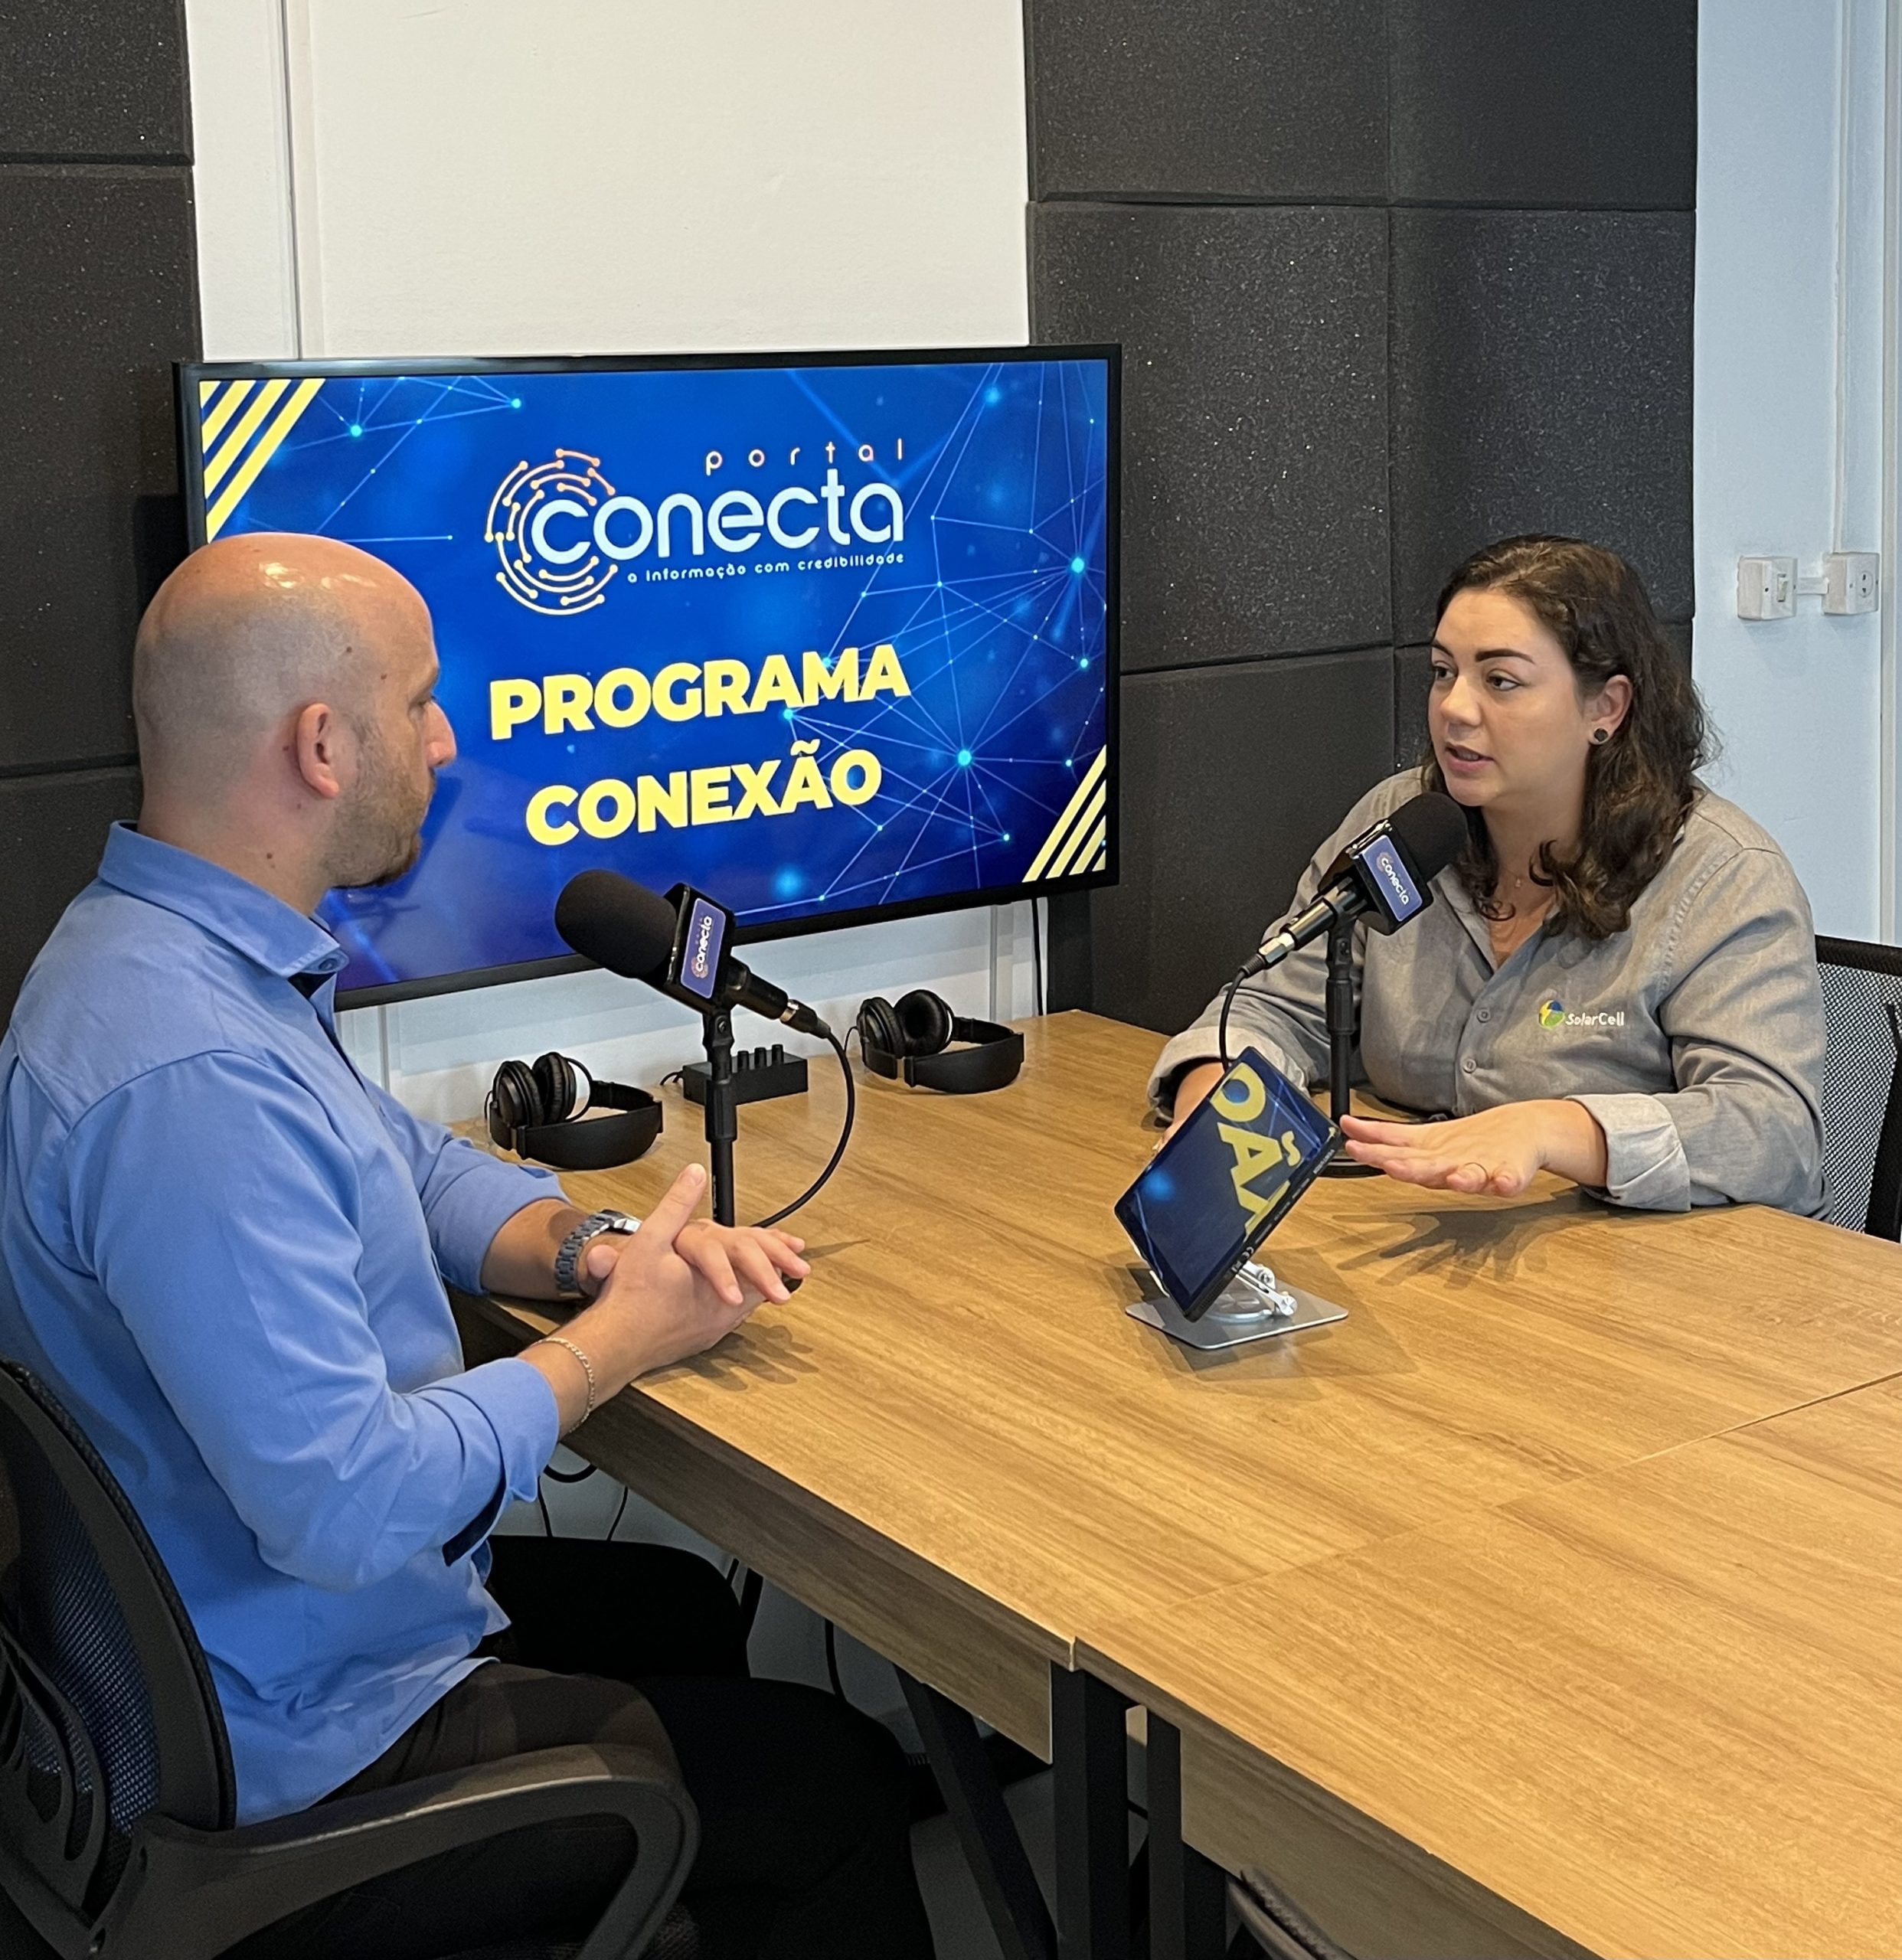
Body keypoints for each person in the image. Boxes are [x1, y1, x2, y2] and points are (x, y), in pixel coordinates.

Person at [0, 534, 934, 1959]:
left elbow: (406, 1162)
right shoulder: (187, 1074)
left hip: (221, 1650)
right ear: (322, 745)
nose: (444, 739)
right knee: (834, 1788)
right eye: (421, 701)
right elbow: (346, 1506)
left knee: (680, 1608)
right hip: (295, 1744)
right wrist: (612, 1347)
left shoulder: (166, 955)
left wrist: (589, 1251)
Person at [1151, 534, 1827, 1216]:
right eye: (1443, 672)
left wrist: (1554, 1130)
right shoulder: (1401, 823)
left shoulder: (1725, 876)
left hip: (1642, 1264)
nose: (1454, 708)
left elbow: (1773, 1136)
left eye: (1500, 681)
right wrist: (1212, 1105)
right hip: (1415, 1235)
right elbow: (1275, 1007)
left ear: (1606, 708)